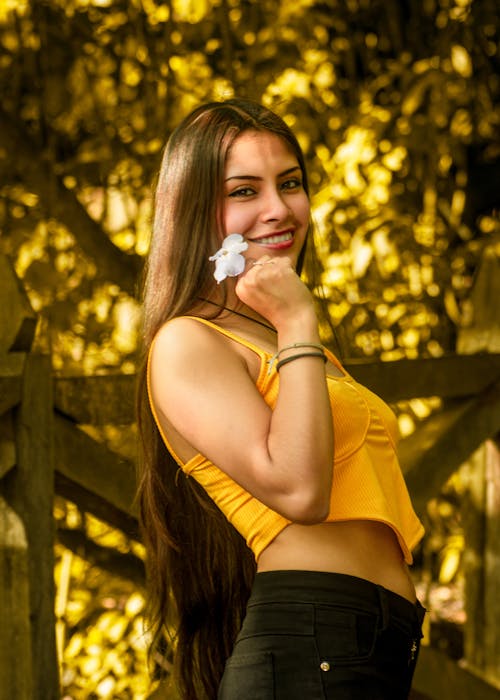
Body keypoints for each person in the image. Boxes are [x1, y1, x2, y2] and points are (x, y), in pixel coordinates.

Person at [136, 98, 426, 700]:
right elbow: (299, 490)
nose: (278, 208)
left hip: (367, 648)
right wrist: (298, 322)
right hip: (309, 649)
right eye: (245, 190)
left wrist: (289, 326)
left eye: (289, 183)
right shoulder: (187, 342)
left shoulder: (271, 336)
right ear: (196, 212)